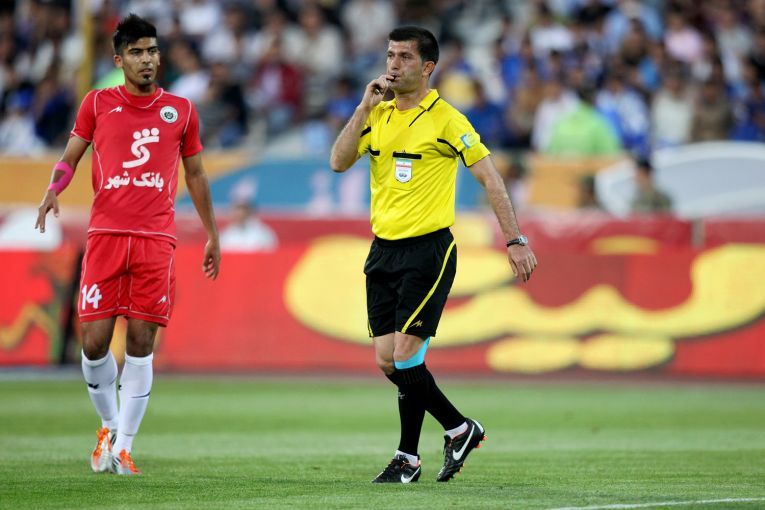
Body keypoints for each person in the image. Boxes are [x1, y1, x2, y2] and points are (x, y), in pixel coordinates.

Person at [329, 26, 537, 484]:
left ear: (427, 67)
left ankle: (408, 457)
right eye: (390, 55)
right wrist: (363, 107)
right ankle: (460, 429)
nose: (393, 64)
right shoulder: (377, 115)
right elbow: (338, 162)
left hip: (428, 251)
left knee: (406, 356)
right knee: (388, 360)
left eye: (404, 57)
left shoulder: (448, 120)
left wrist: (515, 240)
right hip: (382, 250)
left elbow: (490, 178)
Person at [34, 14, 220, 476]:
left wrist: (212, 233)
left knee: (140, 342)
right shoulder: (97, 103)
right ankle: (109, 426)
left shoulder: (181, 110)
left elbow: (196, 174)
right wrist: (54, 188)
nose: (147, 59)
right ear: (119, 60)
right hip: (106, 237)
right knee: (94, 343)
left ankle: (125, 447)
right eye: (136, 52)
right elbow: (71, 154)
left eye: (152, 50)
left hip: (156, 239)